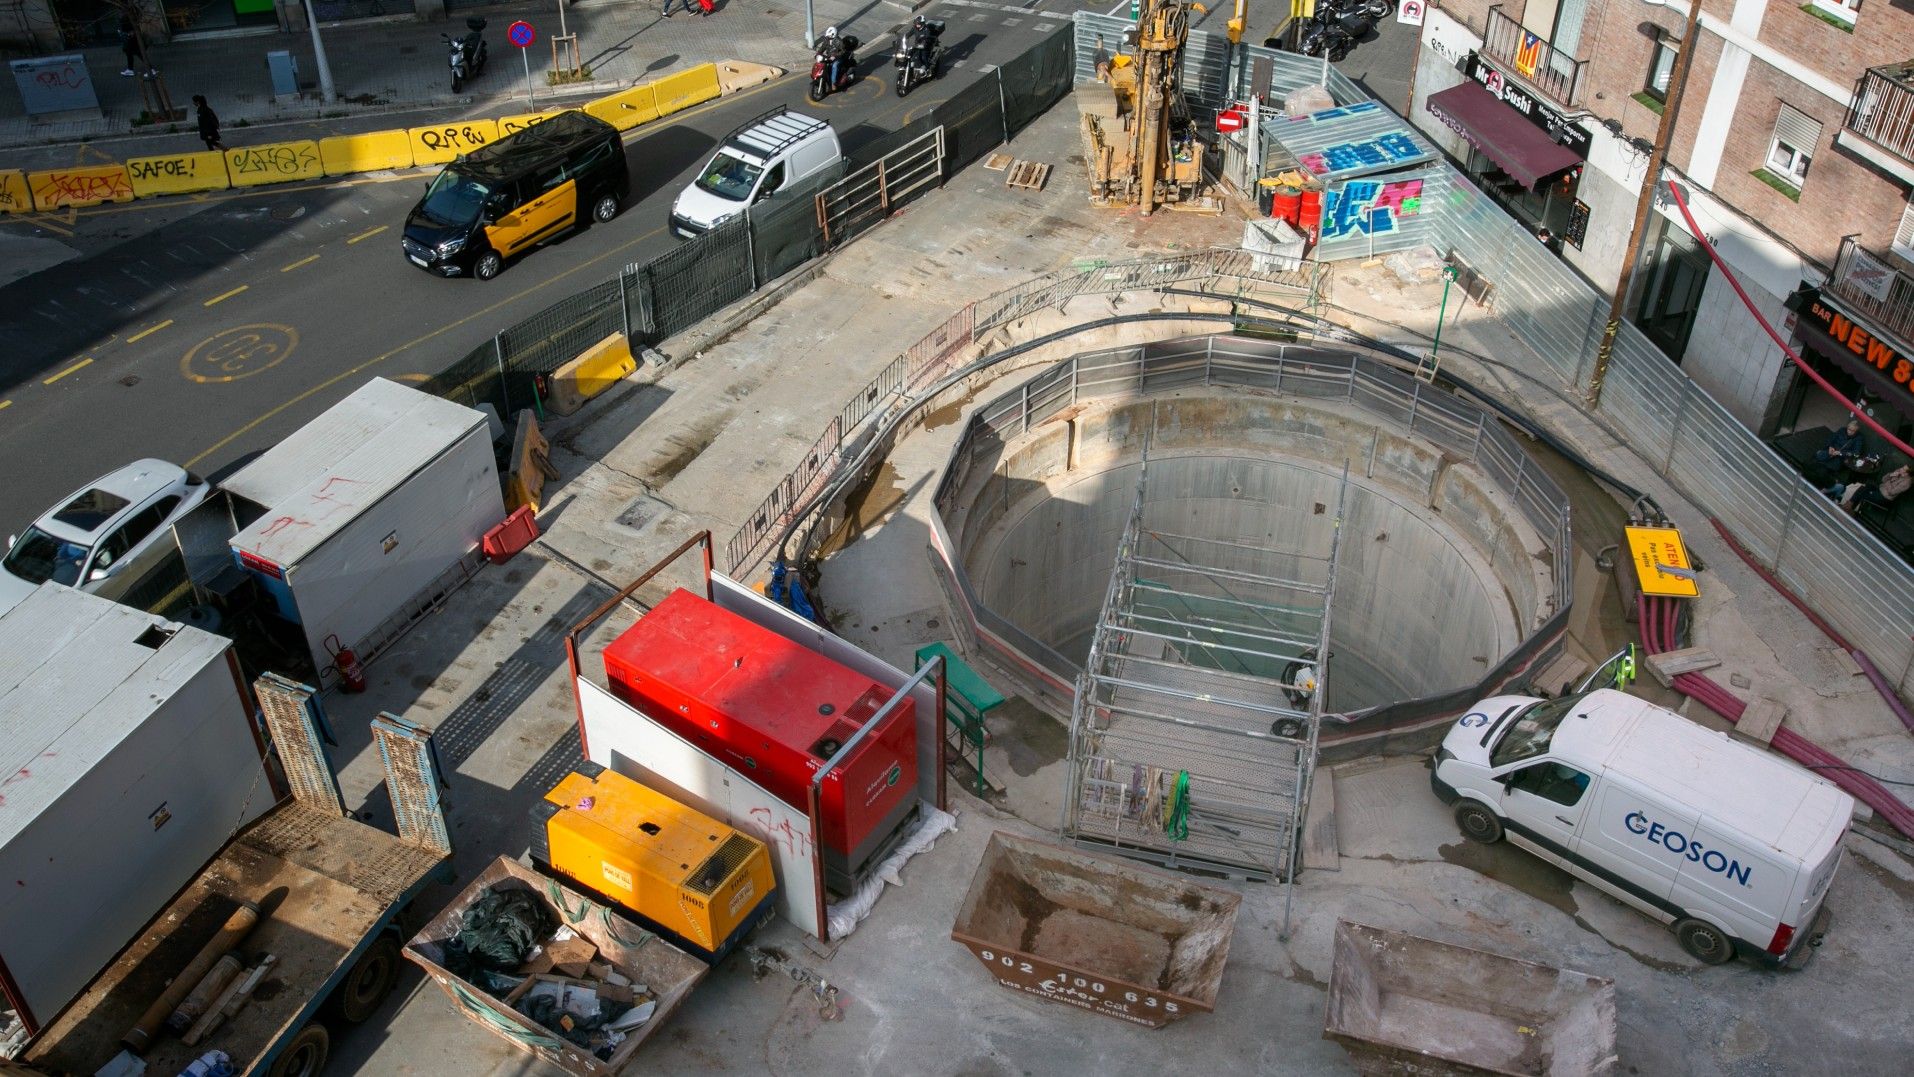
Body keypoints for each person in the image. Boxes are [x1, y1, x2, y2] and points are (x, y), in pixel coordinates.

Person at [1837, 463, 1911, 515]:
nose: (1901, 469)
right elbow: (1883, 479)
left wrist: (1890, 481)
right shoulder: (1898, 472)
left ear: (1907, 473)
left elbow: (1891, 492)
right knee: (1865, 487)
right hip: (1880, 488)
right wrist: (1891, 475)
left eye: (1903, 469)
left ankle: (1848, 507)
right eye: (1902, 467)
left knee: (1863, 494)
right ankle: (1850, 507)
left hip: (1884, 497)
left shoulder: (1906, 483)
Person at [1811, 418, 1866, 485]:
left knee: (1829, 467)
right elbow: (1831, 438)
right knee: (1818, 457)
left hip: (1840, 457)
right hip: (1831, 450)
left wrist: (1840, 453)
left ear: (1856, 431)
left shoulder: (1858, 438)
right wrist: (1830, 446)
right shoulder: (1842, 430)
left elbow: (1856, 453)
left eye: (1853, 431)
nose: (1850, 432)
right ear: (1847, 427)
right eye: (1849, 429)